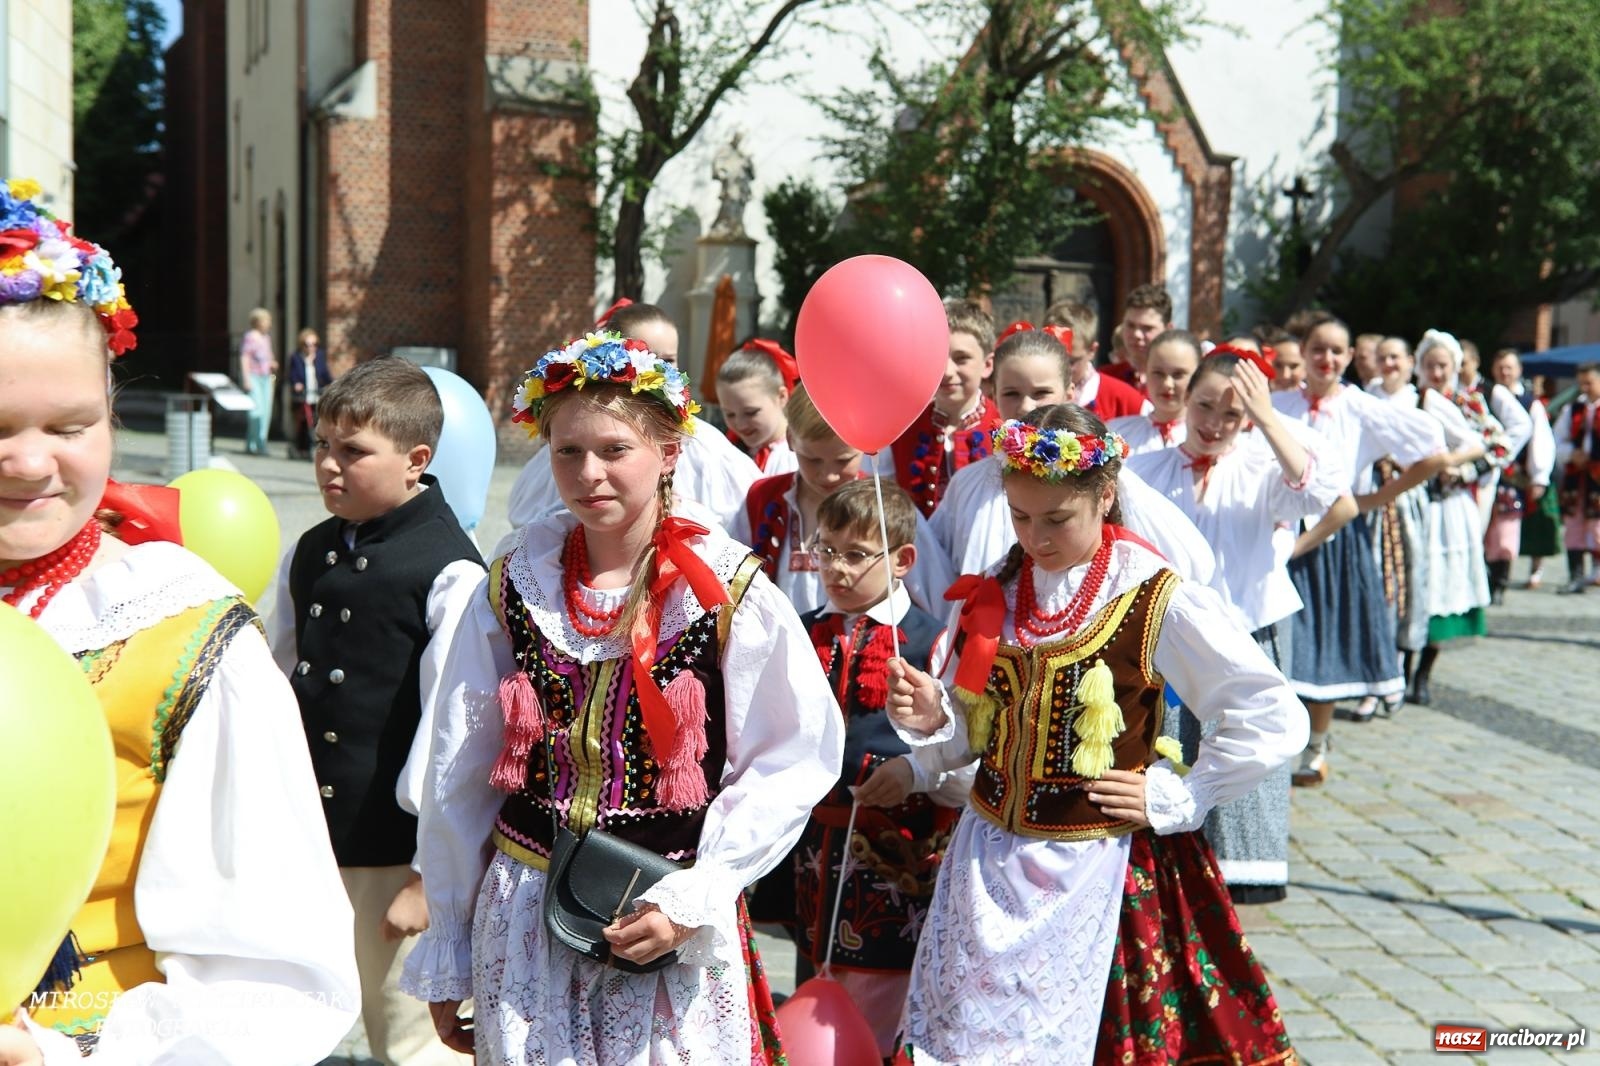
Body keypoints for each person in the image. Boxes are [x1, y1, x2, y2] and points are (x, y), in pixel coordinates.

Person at [399, 332, 844, 1063]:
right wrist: (449, 938)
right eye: (567, 451)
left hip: (660, 911)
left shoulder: (724, 589)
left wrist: (696, 896)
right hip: (526, 908)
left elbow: (793, 757)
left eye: (614, 450)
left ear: (670, 451)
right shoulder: (519, 579)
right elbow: (460, 762)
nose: (589, 473)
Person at [0, 178, 358, 1063]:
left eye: (70, 424)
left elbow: (270, 979)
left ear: (114, 419)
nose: (29, 462)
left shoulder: (179, 633)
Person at [887, 404, 1305, 1065]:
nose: (1035, 537)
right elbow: (973, 731)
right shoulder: (997, 592)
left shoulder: (1148, 593)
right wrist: (930, 713)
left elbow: (1269, 711)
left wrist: (1181, 794)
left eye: (1057, 519)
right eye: (1020, 517)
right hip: (985, 860)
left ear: (1105, 496)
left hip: (1099, 860)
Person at [265, 358, 484, 1066]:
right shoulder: (311, 550)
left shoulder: (449, 570)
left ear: (417, 460)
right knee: (295, 1015)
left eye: (353, 451)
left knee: (410, 1035)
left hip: (396, 848)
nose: (329, 465)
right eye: (322, 445)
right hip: (315, 833)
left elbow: (456, 733)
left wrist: (429, 876)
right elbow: (279, 674)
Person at [1128, 349, 1348, 905]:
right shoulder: (1147, 469)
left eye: (1231, 415)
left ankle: (1240, 880)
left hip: (1251, 630)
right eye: (1204, 407)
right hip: (1172, 640)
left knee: (1247, 754)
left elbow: (1319, 491)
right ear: (1184, 400)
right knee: (1171, 747)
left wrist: (1268, 418)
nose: (1214, 424)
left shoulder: (1260, 466)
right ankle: (1171, 878)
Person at [794, 479, 965, 1057]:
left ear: (902, 561)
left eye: (856, 554)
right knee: (816, 977)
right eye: (826, 550)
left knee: (881, 995)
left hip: (896, 857)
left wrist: (917, 768)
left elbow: (966, 752)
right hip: (816, 850)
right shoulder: (803, 630)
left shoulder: (930, 642)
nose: (836, 568)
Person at [1271, 315, 1448, 785]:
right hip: (1280, 530)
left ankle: (1316, 745)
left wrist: (1374, 498)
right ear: (1304, 353)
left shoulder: (1359, 407)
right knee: (1277, 638)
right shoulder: (1279, 403)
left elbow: (1434, 450)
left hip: (1333, 536)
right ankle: (1271, 745)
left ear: (1350, 357)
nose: (1326, 359)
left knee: (1327, 637)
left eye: (1336, 351)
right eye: (1318, 349)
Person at [930, 326, 1217, 586]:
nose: (1026, 406)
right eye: (1012, 394)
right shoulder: (968, 482)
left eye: (1041, 392)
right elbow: (938, 570)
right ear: (992, 393)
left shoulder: (1100, 475)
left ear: (1069, 393)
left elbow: (1189, 563)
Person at [505, 303, 761, 535]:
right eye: (644, 355)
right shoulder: (573, 441)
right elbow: (527, 515)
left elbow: (745, 513)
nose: (657, 371)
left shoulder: (706, 445)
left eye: (668, 360)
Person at [732, 383, 955, 614]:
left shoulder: (885, 505)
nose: (828, 475)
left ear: (863, 445)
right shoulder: (763, 498)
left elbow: (939, 600)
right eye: (813, 460)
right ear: (790, 439)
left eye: (843, 460)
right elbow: (730, 581)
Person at [1407, 331, 1502, 704]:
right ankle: (1400, 671)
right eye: (1429, 364)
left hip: (1450, 505)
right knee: (1414, 582)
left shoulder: (1469, 402)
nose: (1436, 371)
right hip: (1416, 500)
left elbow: (1499, 444)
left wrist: (1463, 470)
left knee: (1441, 584)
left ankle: (1423, 675)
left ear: (1455, 366)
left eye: (1442, 365)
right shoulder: (1411, 399)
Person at [890, 299, 1000, 517]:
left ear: (987, 365)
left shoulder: (1004, 428)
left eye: (962, 359)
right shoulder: (902, 430)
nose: (947, 371)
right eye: (937, 357)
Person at [1485, 349, 1559, 592]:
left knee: (1506, 528)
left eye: (1509, 367)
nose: (1504, 372)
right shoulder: (1482, 398)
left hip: (1515, 477)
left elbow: (1541, 440)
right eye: (1500, 367)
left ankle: (1500, 580)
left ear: (1518, 370)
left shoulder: (1530, 403)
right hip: (1486, 474)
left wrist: (1538, 476)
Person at [1043, 300, 1149, 419]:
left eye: (1071, 361)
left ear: (1092, 350)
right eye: (1053, 359)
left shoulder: (1125, 400)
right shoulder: (1026, 395)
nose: (1061, 369)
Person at [1108, 328, 1199, 455]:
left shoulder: (1207, 440)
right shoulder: (1116, 434)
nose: (1167, 384)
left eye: (1178, 374)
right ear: (1146, 370)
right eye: (1158, 373)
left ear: (1197, 375)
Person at [715, 339, 798, 476]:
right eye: (730, 414)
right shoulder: (727, 453)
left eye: (751, 412)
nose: (740, 424)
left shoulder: (798, 458)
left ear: (782, 397)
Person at [1554, 362, 1600, 593]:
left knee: (1597, 526)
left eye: (1589, 382)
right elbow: (1557, 439)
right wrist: (1572, 454)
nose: (1584, 388)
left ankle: (1597, 570)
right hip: (1577, 477)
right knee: (1574, 524)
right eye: (1581, 383)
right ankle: (1576, 575)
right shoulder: (1572, 409)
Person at [1104, 283, 1173, 390]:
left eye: (1147, 328)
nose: (1137, 334)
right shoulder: (1103, 380)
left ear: (1168, 330)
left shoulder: (1179, 384)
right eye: (1130, 325)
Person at [287, 327, 333, 460]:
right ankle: (302, 448)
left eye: (314, 345)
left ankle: (316, 446)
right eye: (308, 345)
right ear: (302, 345)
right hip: (302, 397)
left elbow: (325, 374)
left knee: (316, 422)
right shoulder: (296, 357)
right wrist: (296, 384)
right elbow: (292, 375)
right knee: (303, 423)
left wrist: (332, 383)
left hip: (316, 395)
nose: (311, 348)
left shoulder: (320, 356)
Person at [239, 306, 278, 456]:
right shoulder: (250, 337)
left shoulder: (266, 338)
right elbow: (244, 358)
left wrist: (273, 363)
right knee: (257, 411)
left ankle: (258, 443)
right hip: (254, 377)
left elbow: (268, 356)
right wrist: (246, 378)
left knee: (266, 412)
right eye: (267, 320)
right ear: (258, 321)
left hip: (267, 377)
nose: (269, 323)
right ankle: (254, 443)